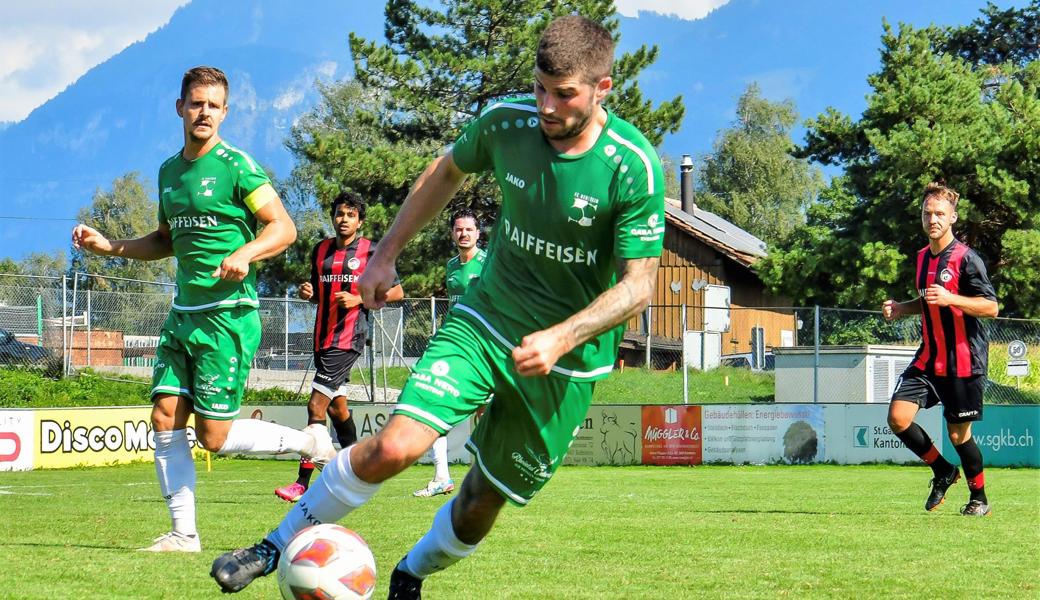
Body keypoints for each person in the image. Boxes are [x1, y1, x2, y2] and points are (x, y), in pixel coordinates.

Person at [210, 15, 664, 597]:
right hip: (487, 319)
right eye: (539, 88)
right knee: (397, 446)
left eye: (564, 93)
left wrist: (563, 336)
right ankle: (273, 546)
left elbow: (639, 286)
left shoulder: (633, 165)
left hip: (566, 362)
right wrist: (385, 256)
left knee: (481, 499)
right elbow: (446, 171)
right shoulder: (506, 125)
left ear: (602, 89)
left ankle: (410, 574)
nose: (547, 106)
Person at [71, 66, 336, 552]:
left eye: (214, 105)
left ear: (225, 112)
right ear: (180, 107)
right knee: (165, 414)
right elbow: (165, 240)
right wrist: (109, 247)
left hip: (227, 316)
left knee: (213, 437)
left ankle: (309, 443)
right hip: (183, 315)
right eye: (196, 103)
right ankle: (183, 534)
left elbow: (283, 227)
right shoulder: (169, 172)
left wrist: (244, 253)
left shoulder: (237, 166)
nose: (204, 113)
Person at [275, 191, 404, 503]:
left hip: (347, 340)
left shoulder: (372, 251)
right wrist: (310, 294)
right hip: (323, 338)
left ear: (359, 221)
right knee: (337, 408)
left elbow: (398, 291)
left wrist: (360, 299)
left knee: (315, 407)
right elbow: (322, 294)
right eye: (339, 214)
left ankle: (302, 482)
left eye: (350, 215)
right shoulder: (320, 251)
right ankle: (357, 474)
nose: (343, 219)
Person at [882, 180, 999, 517]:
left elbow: (991, 307)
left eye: (939, 214)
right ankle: (943, 471)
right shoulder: (921, 258)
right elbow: (928, 301)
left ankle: (980, 498)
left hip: (963, 361)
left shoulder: (967, 259)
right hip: (929, 358)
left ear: (952, 219)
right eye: (927, 213)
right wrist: (903, 307)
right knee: (898, 418)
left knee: (959, 435)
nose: (932, 219)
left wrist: (952, 299)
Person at [413, 208, 487, 498]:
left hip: (481, 345)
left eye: (469, 229)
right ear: (452, 234)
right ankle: (441, 477)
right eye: (458, 229)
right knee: (434, 403)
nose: (463, 234)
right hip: (454, 343)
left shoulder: (489, 262)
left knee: (484, 411)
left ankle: (484, 477)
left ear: (478, 234)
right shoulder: (452, 266)